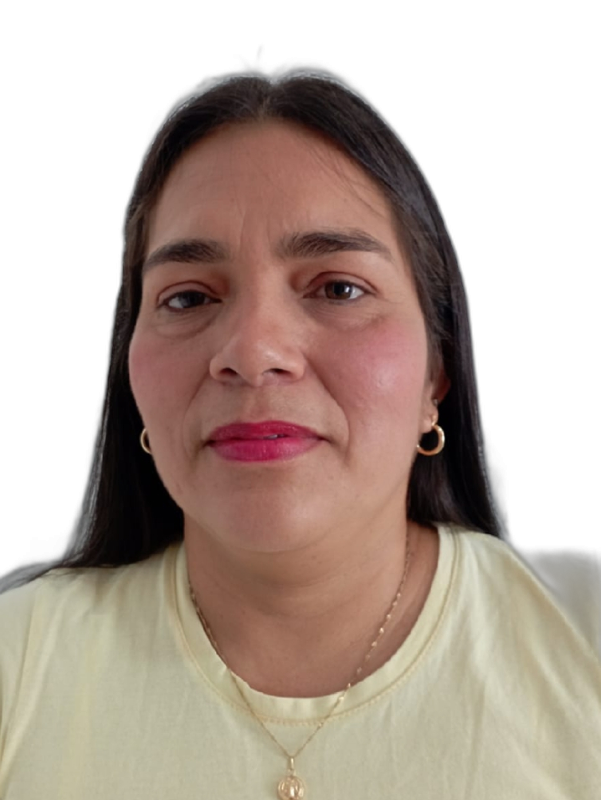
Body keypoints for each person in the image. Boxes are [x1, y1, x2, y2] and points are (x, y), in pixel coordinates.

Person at [0, 69, 599, 800]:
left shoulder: (583, 663)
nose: (253, 353)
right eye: (188, 298)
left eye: (338, 288)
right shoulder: (16, 664)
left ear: (437, 372)